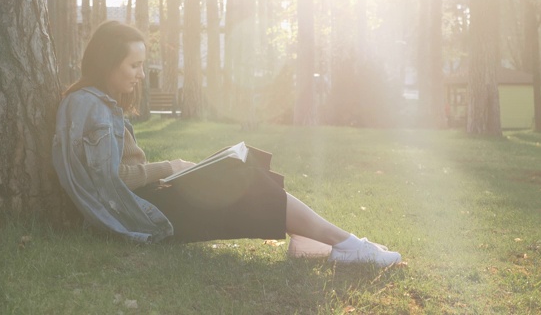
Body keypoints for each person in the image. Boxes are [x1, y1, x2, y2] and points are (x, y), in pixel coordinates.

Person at [52, 21, 402, 267]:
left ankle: (319, 243)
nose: (142, 74)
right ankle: (346, 244)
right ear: (107, 62)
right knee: (244, 178)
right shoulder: (89, 105)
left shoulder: (94, 102)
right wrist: (170, 167)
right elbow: (112, 180)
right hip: (138, 216)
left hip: (143, 201)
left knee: (247, 164)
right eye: (136, 65)